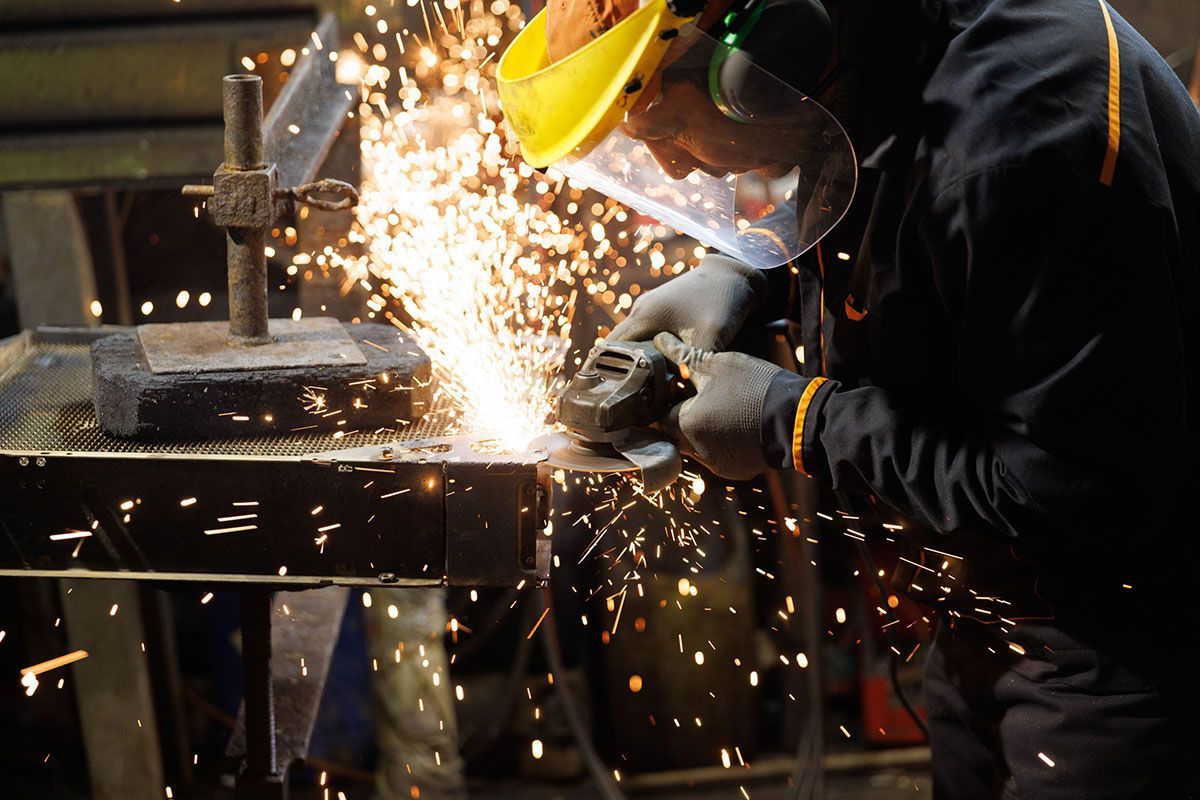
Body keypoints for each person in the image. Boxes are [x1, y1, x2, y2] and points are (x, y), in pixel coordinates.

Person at [499, 0, 1200, 797]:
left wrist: (797, 420)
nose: (674, 168)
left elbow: (1073, 486)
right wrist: (748, 268)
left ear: (756, 59)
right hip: (988, 615)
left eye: (668, 128)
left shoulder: (1022, 145)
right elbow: (869, 180)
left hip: (1122, 646)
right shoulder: (875, 45)